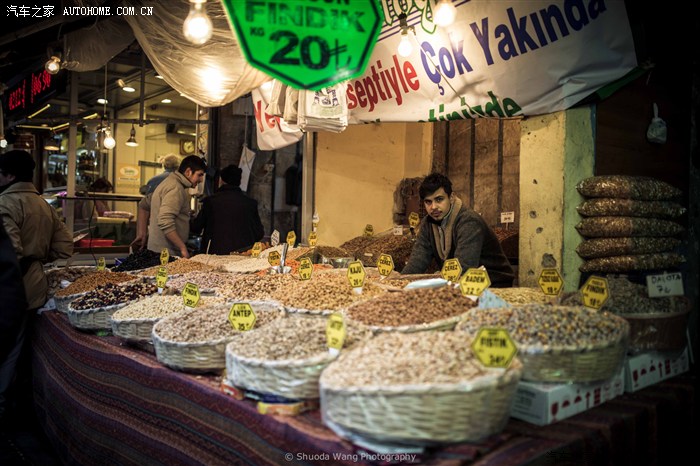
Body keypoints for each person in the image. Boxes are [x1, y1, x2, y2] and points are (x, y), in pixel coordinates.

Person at [0, 150, 73, 421]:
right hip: (35, 285)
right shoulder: (45, 205)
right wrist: (39, 260)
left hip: (10, 287)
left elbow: (10, 253)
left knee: (7, 351)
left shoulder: (5, 203)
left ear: (9, 175)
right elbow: (65, 246)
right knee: (18, 347)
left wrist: (27, 260)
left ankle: (3, 409)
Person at [402, 173, 515, 287]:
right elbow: (418, 259)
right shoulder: (427, 224)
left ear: (451, 197)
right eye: (428, 202)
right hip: (461, 282)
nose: (433, 207)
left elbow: (464, 266)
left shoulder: (468, 221)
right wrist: (401, 280)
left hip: (493, 282)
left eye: (439, 199)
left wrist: (440, 280)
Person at [131, 155, 206, 258]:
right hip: (167, 254)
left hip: (156, 251)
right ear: (188, 172)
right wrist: (182, 247)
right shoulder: (176, 188)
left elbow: (143, 204)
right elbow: (165, 220)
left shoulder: (168, 182)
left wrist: (141, 234)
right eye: (199, 175)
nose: (201, 180)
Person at [190, 165, 264, 254]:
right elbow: (259, 233)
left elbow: (196, 227)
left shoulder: (210, 202)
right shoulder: (250, 203)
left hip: (215, 255)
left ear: (221, 180)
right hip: (243, 255)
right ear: (239, 182)